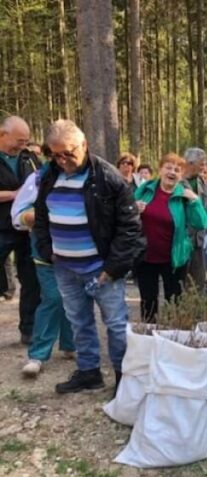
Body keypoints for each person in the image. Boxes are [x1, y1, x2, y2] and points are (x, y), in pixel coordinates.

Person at [33, 119, 145, 395]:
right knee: (79, 321)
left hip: (101, 268)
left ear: (84, 145)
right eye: (55, 154)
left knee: (116, 324)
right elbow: (41, 217)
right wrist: (49, 252)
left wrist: (113, 268)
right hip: (65, 267)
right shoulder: (49, 175)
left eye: (68, 153)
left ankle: (123, 377)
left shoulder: (107, 177)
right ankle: (88, 372)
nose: (62, 160)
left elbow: (130, 226)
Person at [11, 154, 75, 377]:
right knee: (53, 297)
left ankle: (70, 344)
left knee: (72, 296)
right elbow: (17, 216)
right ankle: (37, 354)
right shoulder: (37, 179)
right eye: (60, 153)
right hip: (45, 252)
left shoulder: (86, 177)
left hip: (76, 251)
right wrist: (33, 216)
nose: (66, 159)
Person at [134, 153, 207, 321]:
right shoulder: (145, 190)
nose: (172, 172)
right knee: (148, 301)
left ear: (181, 175)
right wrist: (134, 209)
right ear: (160, 170)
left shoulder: (184, 195)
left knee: (173, 302)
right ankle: (149, 337)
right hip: (145, 257)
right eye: (168, 167)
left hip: (174, 259)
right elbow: (126, 213)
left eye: (177, 170)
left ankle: (171, 336)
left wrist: (195, 201)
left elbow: (201, 224)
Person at [0, 116, 41, 345]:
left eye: (26, 141)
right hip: (1, 227)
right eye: (19, 140)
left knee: (31, 280)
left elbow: (43, 180)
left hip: (27, 229)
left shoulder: (29, 157)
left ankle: (29, 329)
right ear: (2, 134)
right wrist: (14, 194)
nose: (22, 146)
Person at [182, 147, 207, 293]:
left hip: (199, 238)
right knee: (181, 280)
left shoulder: (201, 181)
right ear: (191, 163)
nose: (204, 167)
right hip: (182, 238)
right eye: (201, 163)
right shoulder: (177, 181)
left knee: (198, 279)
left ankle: (197, 312)